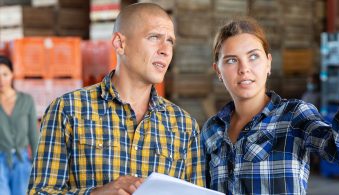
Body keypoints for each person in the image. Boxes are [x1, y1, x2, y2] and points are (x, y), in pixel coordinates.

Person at [28, 3, 205, 194]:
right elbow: (40, 192)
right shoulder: (68, 110)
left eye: (170, 41)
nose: (166, 50)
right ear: (120, 44)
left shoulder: (184, 126)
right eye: (154, 37)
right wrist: (99, 193)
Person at [201, 17, 339, 195]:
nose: (244, 68)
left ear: (268, 63)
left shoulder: (295, 115)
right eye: (231, 60)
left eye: (253, 56)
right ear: (218, 71)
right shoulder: (211, 130)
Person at [0, 55, 39, 195]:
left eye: (4, 74)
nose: (1, 79)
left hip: (22, 161)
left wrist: (38, 165)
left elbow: (34, 135)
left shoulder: (26, 100)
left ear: (12, 74)